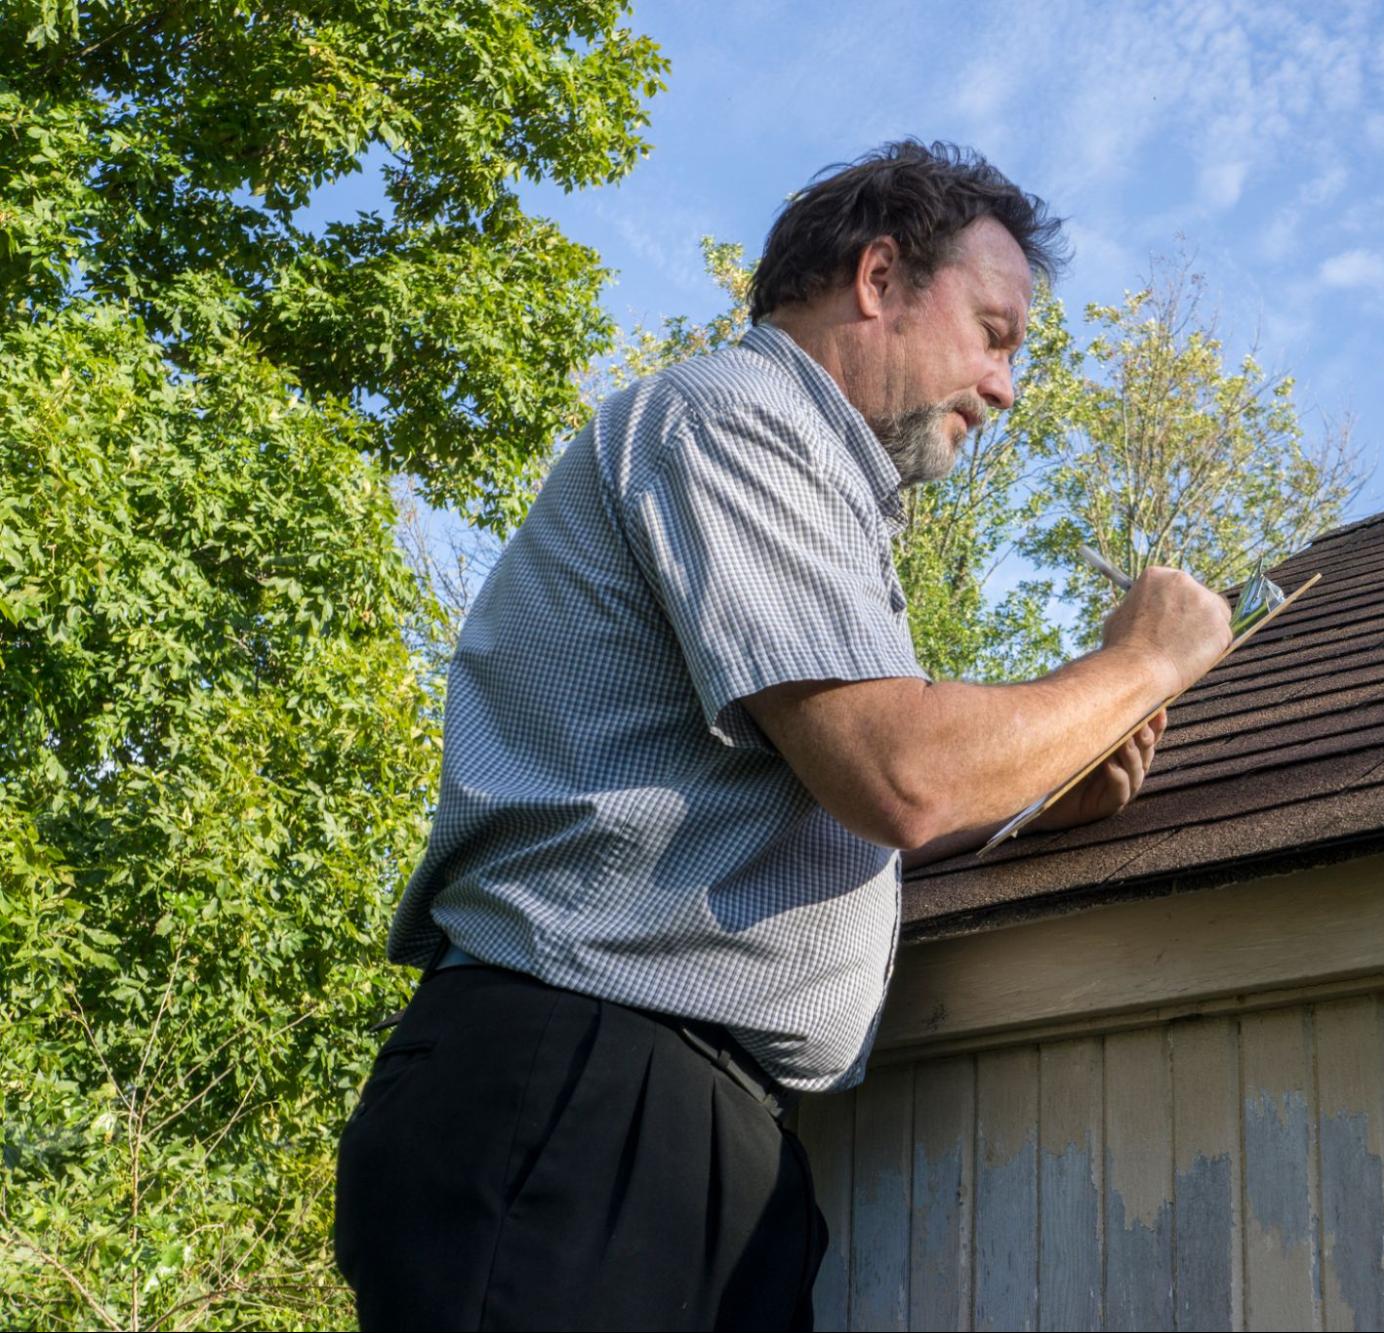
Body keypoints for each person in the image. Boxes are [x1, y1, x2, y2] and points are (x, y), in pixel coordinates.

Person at [333, 139, 1233, 1331]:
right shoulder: (737, 421)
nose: (1005, 385)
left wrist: (1032, 797)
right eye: (995, 331)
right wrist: (1144, 659)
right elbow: (897, 773)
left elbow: (817, 811)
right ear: (876, 278)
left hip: (669, 1121)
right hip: (580, 1096)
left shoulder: (812, 486)